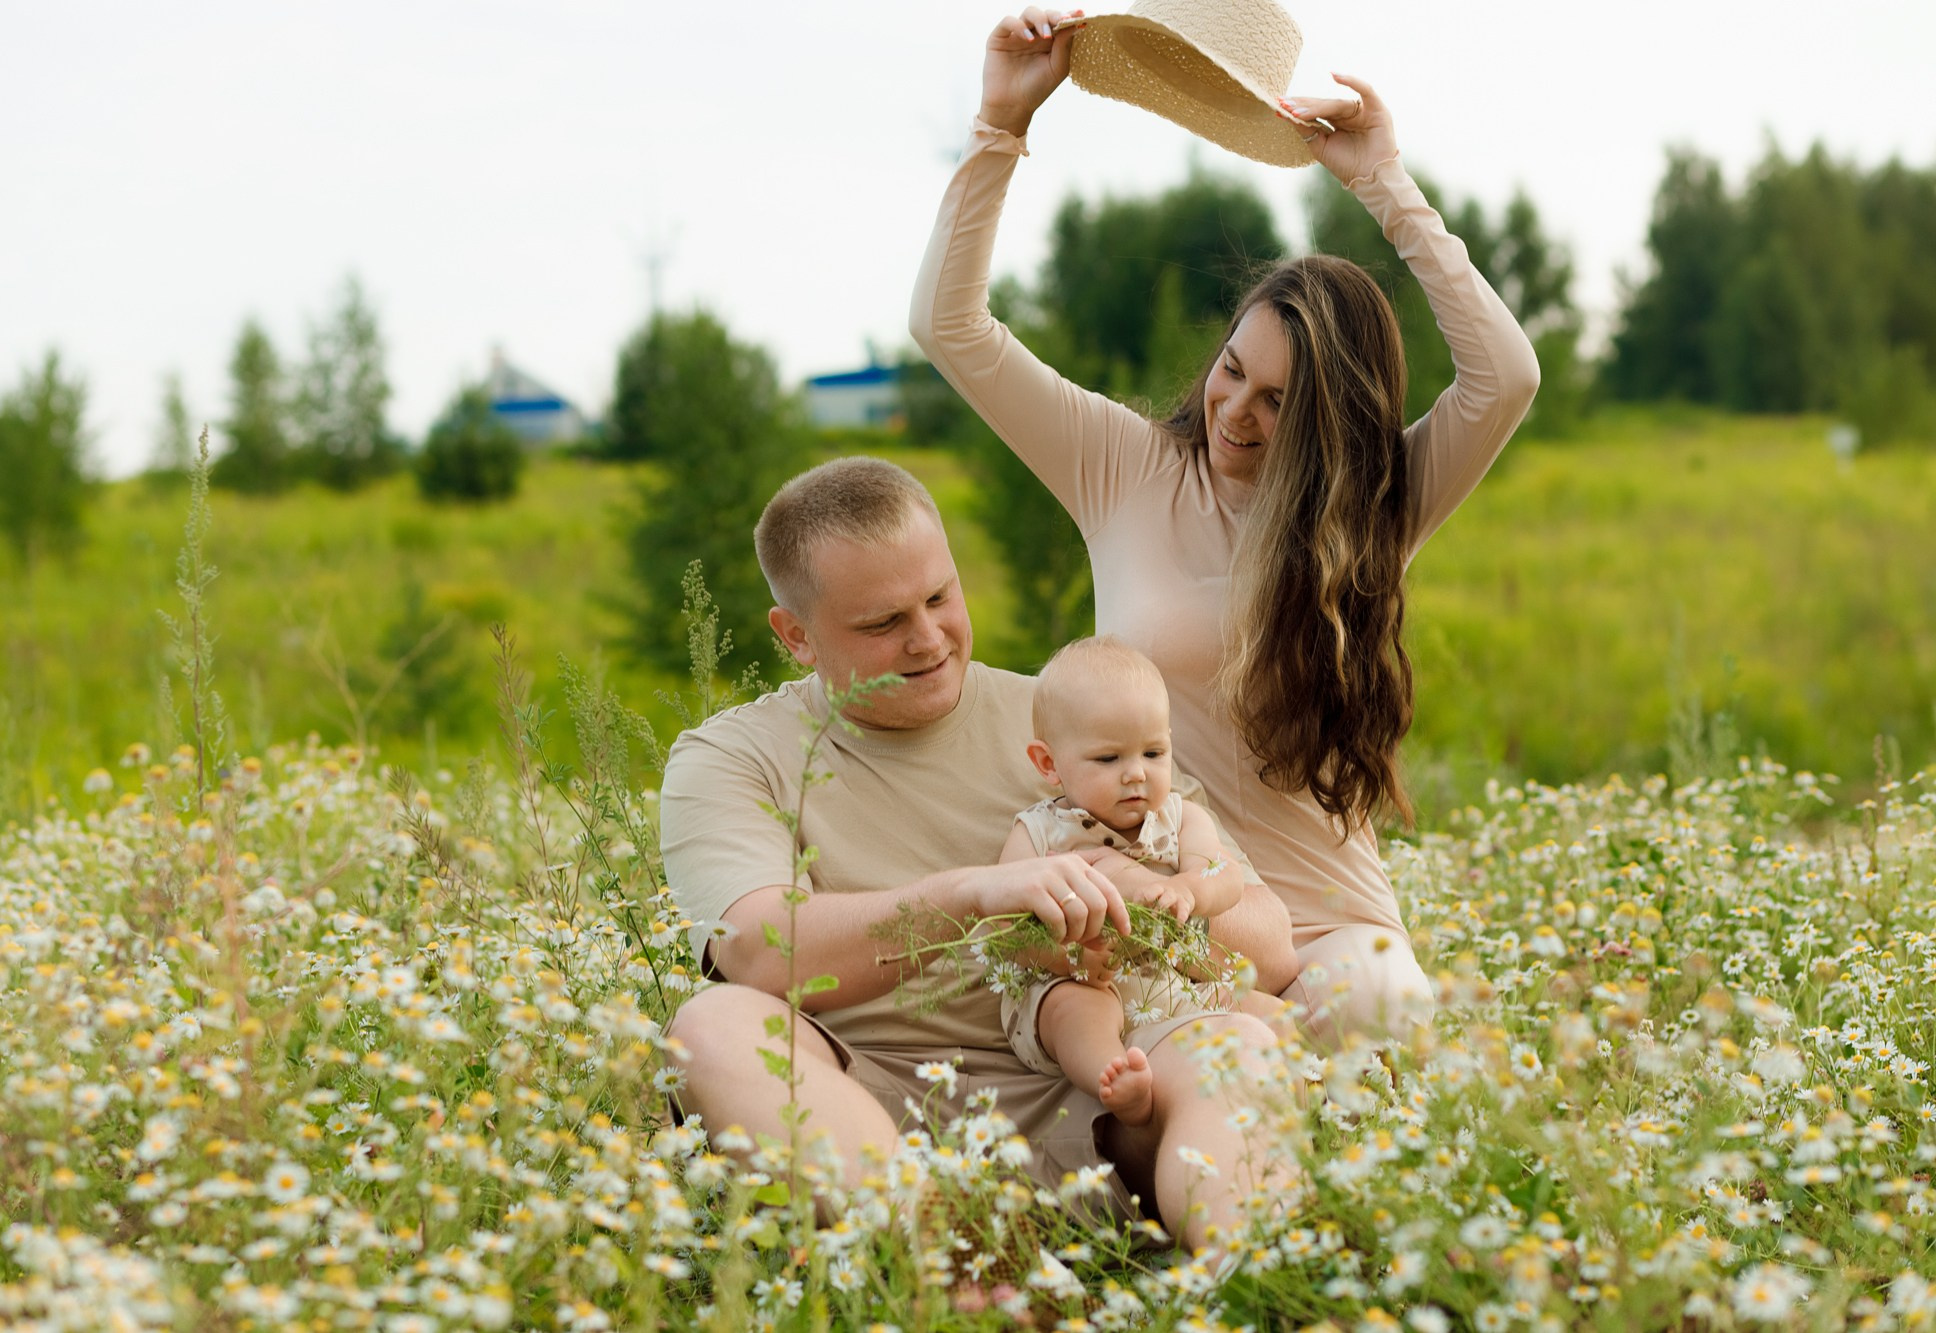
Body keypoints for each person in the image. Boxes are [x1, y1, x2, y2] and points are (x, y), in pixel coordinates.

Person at [910, 8, 1542, 1044]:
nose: (1234, 413)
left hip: (1325, 914)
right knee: (1190, 1087)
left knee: (1383, 1023)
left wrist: (1382, 183)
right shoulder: (1119, 465)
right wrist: (999, 124)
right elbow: (948, 326)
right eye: (1229, 371)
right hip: (1157, 904)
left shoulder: (1371, 505)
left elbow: (1504, 375)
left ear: (1330, 421)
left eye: (1277, 402)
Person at [661, 456, 1298, 1245]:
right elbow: (757, 951)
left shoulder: (1071, 714)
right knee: (715, 1025)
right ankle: (937, 1249)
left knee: (1236, 1043)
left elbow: (1270, 944)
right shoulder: (733, 756)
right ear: (796, 635)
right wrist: (970, 893)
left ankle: (1248, 1281)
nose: (927, 639)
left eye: (939, 596)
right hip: (872, 1106)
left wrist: (1135, 887)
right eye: (882, 622)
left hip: (1103, 1091)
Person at [996, 634, 1261, 1129]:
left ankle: (1313, 1082)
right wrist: (1065, 956)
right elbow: (1004, 926)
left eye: (1153, 753)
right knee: (1074, 1009)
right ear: (1048, 763)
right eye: (1109, 759)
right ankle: (1114, 1077)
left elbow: (1224, 875)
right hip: (1082, 978)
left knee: (1262, 1009)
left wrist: (1190, 888)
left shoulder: (1180, 817)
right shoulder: (1042, 832)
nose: (1136, 774)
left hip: (1174, 983)